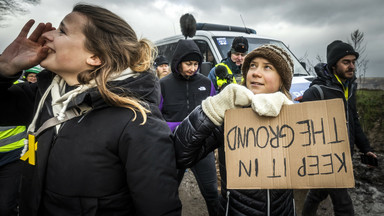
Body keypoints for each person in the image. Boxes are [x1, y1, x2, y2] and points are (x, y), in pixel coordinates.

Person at [0, 3, 181, 216]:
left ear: (95, 57)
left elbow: (160, 209)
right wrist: (5, 68)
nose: (47, 35)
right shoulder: (44, 95)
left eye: (62, 31)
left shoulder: (138, 122)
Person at [173, 44, 296, 215]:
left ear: (282, 78)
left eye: (267, 67)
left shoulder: (296, 118)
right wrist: (212, 109)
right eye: (252, 65)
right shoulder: (232, 116)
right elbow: (181, 154)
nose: (255, 72)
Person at [301, 40, 377, 216]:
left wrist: (366, 149)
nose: (352, 66)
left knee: (317, 193)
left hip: (344, 154)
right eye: (346, 62)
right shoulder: (317, 91)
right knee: (344, 205)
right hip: (326, 159)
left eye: (353, 62)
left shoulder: (349, 87)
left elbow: (354, 120)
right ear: (334, 64)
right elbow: (303, 128)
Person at [159, 39, 219, 216]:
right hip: (173, 148)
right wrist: (174, 127)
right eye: (188, 64)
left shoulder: (206, 84)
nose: (193, 68)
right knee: (167, 195)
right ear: (178, 63)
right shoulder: (163, 85)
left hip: (201, 148)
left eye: (196, 64)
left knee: (212, 194)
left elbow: (214, 112)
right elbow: (155, 116)